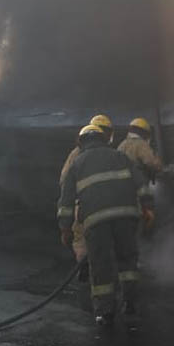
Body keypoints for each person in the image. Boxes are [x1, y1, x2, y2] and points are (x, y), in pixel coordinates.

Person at [57, 120, 147, 328]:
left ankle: (106, 313)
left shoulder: (77, 163)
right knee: (128, 262)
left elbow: (66, 201)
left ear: (82, 142)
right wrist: (148, 207)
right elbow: (141, 183)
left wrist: (65, 228)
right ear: (104, 139)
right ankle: (131, 303)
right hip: (126, 217)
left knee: (101, 266)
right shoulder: (120, 156)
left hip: (96, 222)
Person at [59, 114, 114, 283]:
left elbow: (64, 181)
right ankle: (89, 280)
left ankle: (89, 280)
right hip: (91, 207)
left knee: (84, 246)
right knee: (88, 246)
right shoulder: (107, 154)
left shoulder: (76, 154)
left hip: (83, 207)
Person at [117, 117, 163, 231]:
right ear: (144, 132)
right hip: (138, 189)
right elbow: (153, 163)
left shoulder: (121, 145)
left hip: (121, 192)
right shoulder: (141, 145)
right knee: (142, 218)